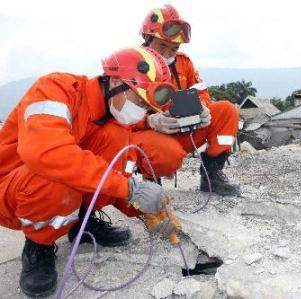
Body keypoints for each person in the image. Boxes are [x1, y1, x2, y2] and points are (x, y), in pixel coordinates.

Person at [0, 46, 178, 297]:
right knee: (54, 175)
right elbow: (47, 154)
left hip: (53, 186)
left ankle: (80, 222)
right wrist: (129, 188)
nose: (141, 110)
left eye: (146, 107)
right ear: (115, 80)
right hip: (12, 187)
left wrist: (143, 209)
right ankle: (39, 244)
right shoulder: (55, 90)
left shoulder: (114, 119)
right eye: (139, 101)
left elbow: (117, 177)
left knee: (117, 144)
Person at [132, 4, 241, 196]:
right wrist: (150, 121)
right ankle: (151, 182)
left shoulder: (184, 63)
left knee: (227, 110)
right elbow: (119, 116)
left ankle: (212, 173)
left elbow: (202, 93)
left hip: (185, 130)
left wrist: (204, 109)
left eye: (174, 48)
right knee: (165, 152)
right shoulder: (133, 66)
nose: (167, 53)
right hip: (150, 136)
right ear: (147, 39)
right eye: (162, 45)